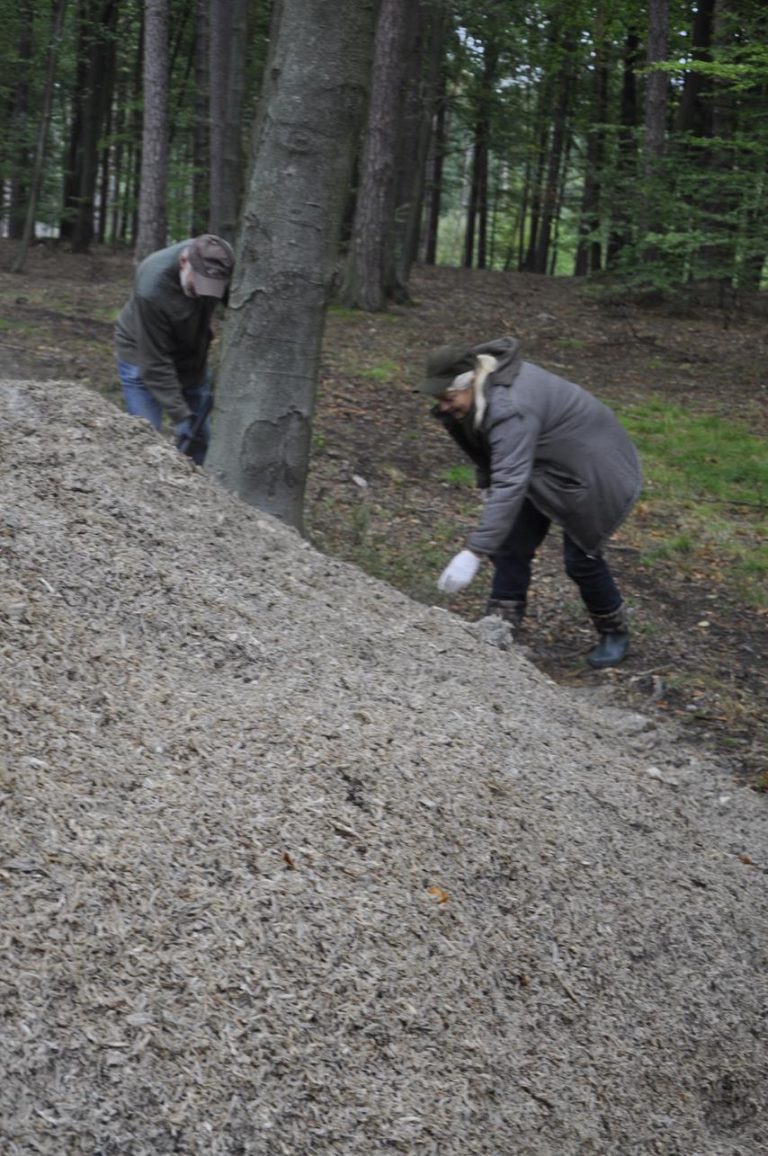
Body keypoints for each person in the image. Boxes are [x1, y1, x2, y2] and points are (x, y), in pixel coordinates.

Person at [417, 336, 642, 669]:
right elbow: (485, 453)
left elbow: (510, 479)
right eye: (439, 399)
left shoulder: (509, 407)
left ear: (471, 381)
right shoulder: (478, 397)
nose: (444, 407)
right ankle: (501, 625)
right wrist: (486, 487)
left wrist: (475, 551)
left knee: (581, 558)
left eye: (448, 398)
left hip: (595, 471)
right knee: (511, 544)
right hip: (542, 464)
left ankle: (614, 631)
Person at [114, 234, 235, 464]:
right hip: (141, 354)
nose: (201, 294)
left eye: (209, 289)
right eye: (196, 286)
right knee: (144, 438)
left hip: (190, 354)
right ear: (183, 262)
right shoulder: (152, 286)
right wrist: (180, 415)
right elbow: (154, 362)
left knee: (200, 438)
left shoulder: (221, 259)